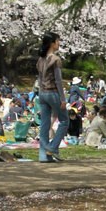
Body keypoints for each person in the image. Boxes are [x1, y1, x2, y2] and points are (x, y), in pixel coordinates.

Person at [36, 31, 69, 163]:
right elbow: (58, 81)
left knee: (44, 124)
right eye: (58, 41)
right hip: (53, 93)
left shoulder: (40, 60)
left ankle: (43, 155)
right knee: (65, 121)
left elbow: (39, 79)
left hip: (42, 93)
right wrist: (63, 98)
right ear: (52, 43)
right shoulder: (55, 59)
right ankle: (53, 147)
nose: (59, 43)